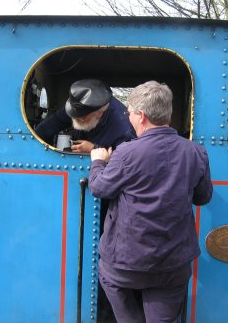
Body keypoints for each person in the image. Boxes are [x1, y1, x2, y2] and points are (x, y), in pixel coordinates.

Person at [89, 80, 213, 323]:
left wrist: (97, 162)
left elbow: (99, 188)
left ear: (141, 115)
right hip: (173, 263)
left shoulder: (125, 152)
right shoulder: (196, 152)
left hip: (127, 264)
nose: (128, 118)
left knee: (108, 277)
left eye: (129, 113)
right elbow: (203, 197)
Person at [35, 79, 135, 153]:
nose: (75, 118)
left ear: (100, 113)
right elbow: (46, 128)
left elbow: (128, 161)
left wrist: (94, 149)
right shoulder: (77, 105)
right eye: (72, 115)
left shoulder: (124, 128)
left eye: (82, 117)